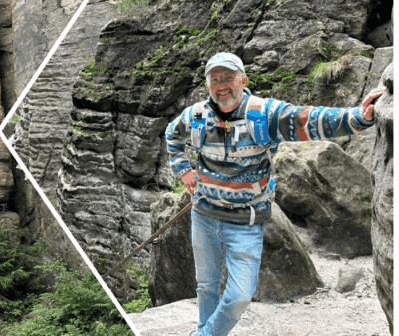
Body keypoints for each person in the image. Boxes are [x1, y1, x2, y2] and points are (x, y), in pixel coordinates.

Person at [165, 52, 384, 336]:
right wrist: (183, 170)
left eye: (228, 78)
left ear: (243, 80)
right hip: (204, 215)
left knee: (240, 296)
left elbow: (308, 119)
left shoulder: (264, 113)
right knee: (206, 286)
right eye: (215, 79)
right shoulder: (195, 116)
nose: (222, 85)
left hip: (246, 222)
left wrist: (356, 117)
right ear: (207, 86)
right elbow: (172, 135)